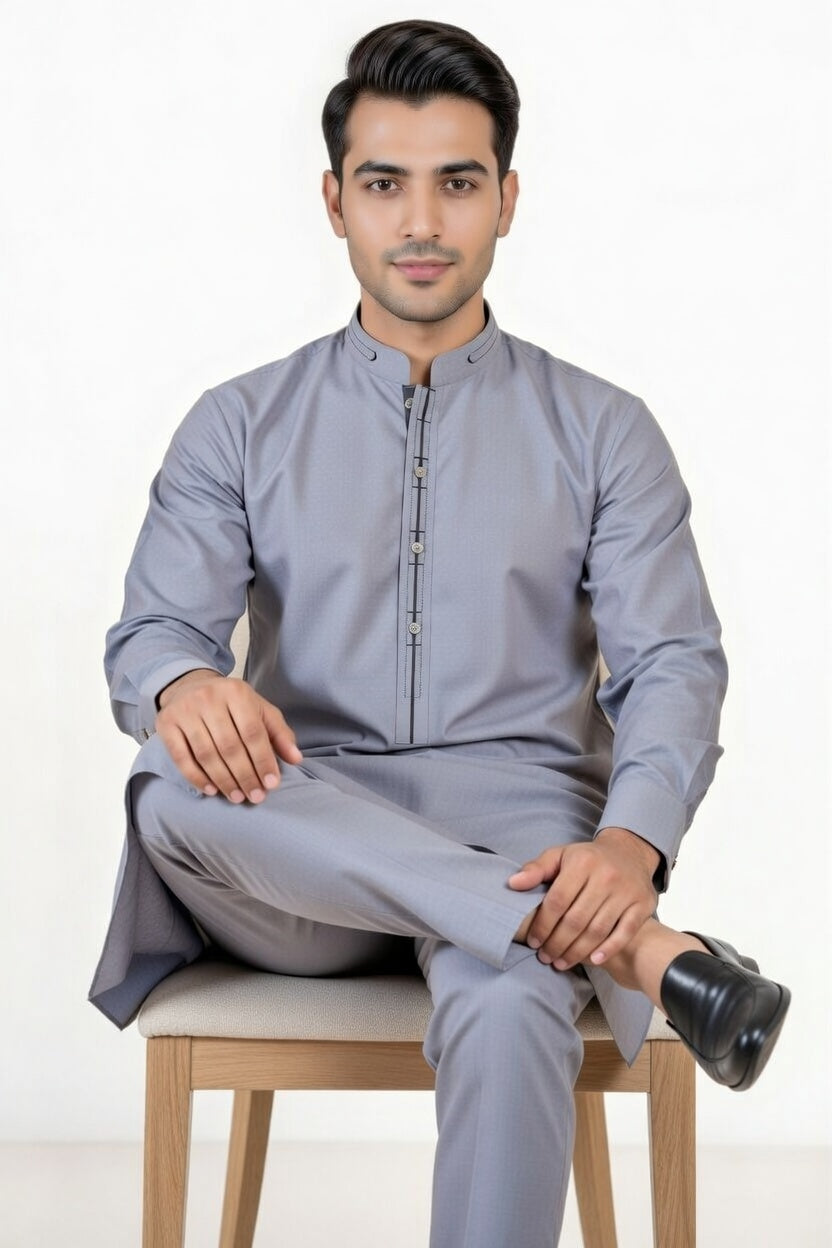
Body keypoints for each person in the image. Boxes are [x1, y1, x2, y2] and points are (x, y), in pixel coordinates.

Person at [90, 19, 790, 1247]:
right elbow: (153, 632)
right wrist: (184, 683)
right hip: (296, 854)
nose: (420, 221)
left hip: (526, 840)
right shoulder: (237, 423)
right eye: (384, 184)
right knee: (169, 776)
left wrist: (628, 844)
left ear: (506, 199)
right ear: (334, 202)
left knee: (514, 1000)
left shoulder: (604, 431)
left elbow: (673, 662)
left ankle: (559, 925)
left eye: (457, 184)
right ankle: (638, 950)